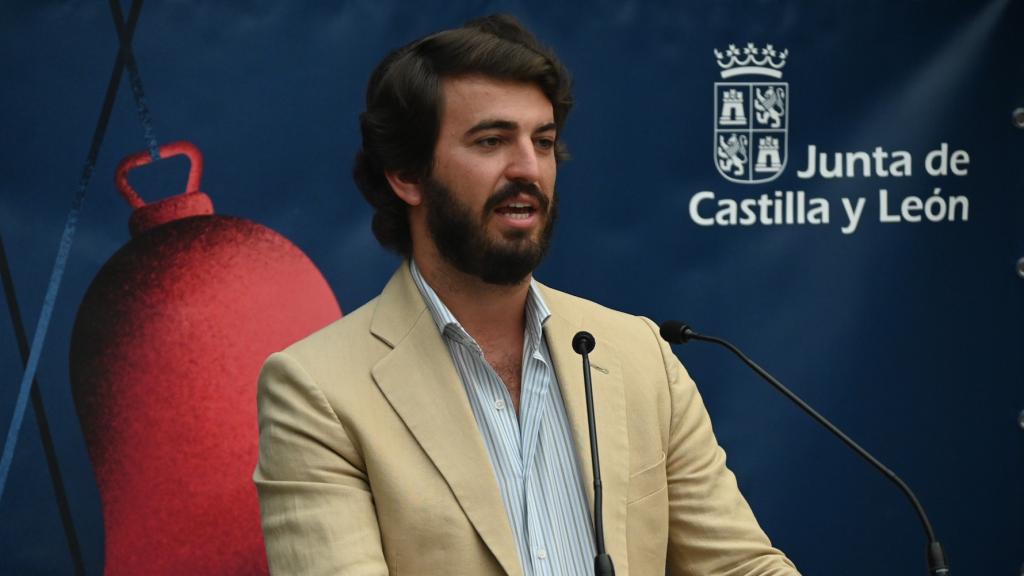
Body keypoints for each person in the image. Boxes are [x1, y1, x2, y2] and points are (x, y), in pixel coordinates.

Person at [254, 14, 800, 576]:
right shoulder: (316, 389)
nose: (528, 169)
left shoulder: (638, 354)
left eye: (542, 142)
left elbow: (740, 566)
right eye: (491, 141)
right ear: (406, 175)